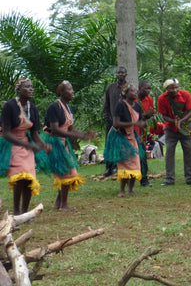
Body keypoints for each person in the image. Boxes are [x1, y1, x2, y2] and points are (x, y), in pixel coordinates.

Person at [0, 78, 51, 215]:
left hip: (27, 144)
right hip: (12, 144)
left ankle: (24, 212)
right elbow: (5, 133)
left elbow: (34, 133)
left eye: (31, 87)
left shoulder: (32, 108)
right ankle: (16, 211)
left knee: (29, 178)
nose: (31, 89)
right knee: (20, 177)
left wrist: (43, 145)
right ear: (19, 90)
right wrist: (26, 144)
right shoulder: (10, 106)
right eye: (27, 87)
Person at [43, 81, 96, 211]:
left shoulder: (67, 107)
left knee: (68, 171)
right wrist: (76, 136)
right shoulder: (54, 107)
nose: (73, 92)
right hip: (54, 142)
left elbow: (70, 129)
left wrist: (84, 135)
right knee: (65, 171)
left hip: (63, 142)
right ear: (62, 92)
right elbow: (55, 129)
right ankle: (63, 205)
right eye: (70, 90)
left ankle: (58, 203)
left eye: (72, 90)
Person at [104, 83, 145, 197]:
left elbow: (139, 121)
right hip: (120, 136)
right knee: (124, 162)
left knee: (135, 162)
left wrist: (143, 122)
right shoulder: (120, 105)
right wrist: (134, 123)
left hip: (132, 136)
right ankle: (122, 190)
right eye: (132, 91)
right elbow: (116, 123)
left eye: (135, 91)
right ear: (125, 93)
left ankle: (130, 189)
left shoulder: (137, 106)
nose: (135, 92)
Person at [157, 79, 191, 186]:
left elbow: (189, 112)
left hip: (186, 127)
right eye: (172, 88)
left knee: (189, 152)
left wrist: (180, 121)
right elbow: (164, 116)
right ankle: (169, 179)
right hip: (170, 128)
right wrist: (173, 122)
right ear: (167, 89)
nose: (175, 90)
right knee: (169, 153)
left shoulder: (185, 95)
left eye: (176, 87)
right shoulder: (162, 98)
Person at [102, 66, 127, 177]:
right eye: (118, 72)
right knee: (109, 143)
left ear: (126, 74)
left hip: (124, 122)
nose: (120, 74)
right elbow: (106, 105)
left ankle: (118, 166)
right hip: (111, 121)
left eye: (122, 72)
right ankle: (108, 167)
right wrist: (109, 118)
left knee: (121, 144)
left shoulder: (129, 87)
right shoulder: (111, 87)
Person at [136, 80, 156, 187]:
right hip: (132, 130)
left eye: (149, 88)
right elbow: (131, 115)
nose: (148, 91)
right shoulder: (133, 99)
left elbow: (148, 115)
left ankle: (144, 179)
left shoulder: (149, 99)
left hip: (142, 131)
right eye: (146, 88)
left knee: (142, 155)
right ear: (140, 88)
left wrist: (150, 114)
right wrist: (145, 114)